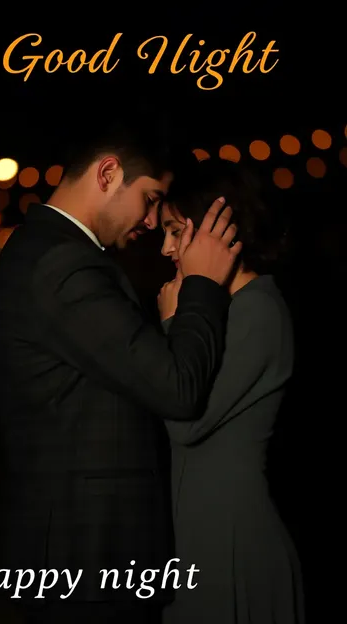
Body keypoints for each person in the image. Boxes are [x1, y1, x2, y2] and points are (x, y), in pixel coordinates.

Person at [0, 116, 242, 624]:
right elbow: (176, 388)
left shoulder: (50, 251)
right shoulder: (64, 263)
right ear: (107, 174)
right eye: (150, 199)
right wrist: (202, 287)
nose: (152, 222)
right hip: (87, 560)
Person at [157, 157, 305, 623]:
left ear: (219, 229)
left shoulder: (257, 311)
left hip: (233, 540)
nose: (165, 248)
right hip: (199, 536)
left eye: (176, 231)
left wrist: (171, 324)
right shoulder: (223, 309)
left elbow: (185, 419)